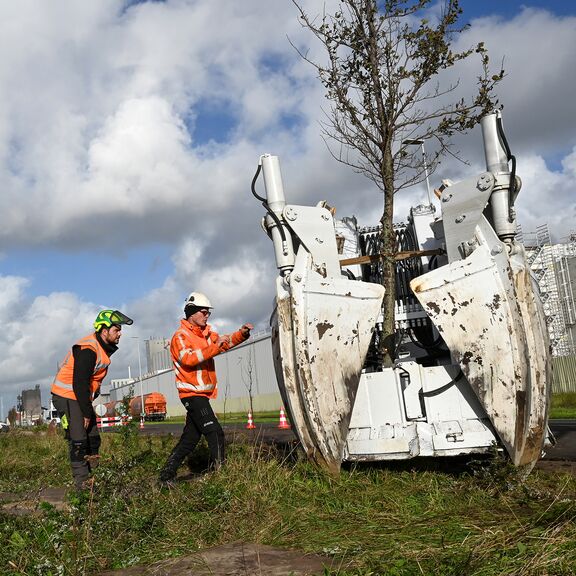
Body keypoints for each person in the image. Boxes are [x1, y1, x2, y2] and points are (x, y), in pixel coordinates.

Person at [159, 291, 253, 485]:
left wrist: (241, 334)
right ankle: (223, 476)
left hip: (201, 394)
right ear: (191, 313)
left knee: (190, 439)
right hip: (192, 394)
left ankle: (166, 475)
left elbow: (224, 343)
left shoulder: (206, 334)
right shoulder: (180, 337)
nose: (207, 315)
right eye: (203, 312)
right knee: (214, 431)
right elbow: (189, 359)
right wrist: (215, 346)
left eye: (208, 312)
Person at [51, 309, 133, 490]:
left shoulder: (101, 347)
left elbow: (91, 381)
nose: (120, 334)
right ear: (104, 331)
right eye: (116, 330)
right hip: (67, 395)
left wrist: (91, 399)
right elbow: (79, 384)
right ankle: (83, 485)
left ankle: (95, 475)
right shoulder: (88, 349)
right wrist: (86, 412)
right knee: (79, 439)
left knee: (94, 438)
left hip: (79, 396)